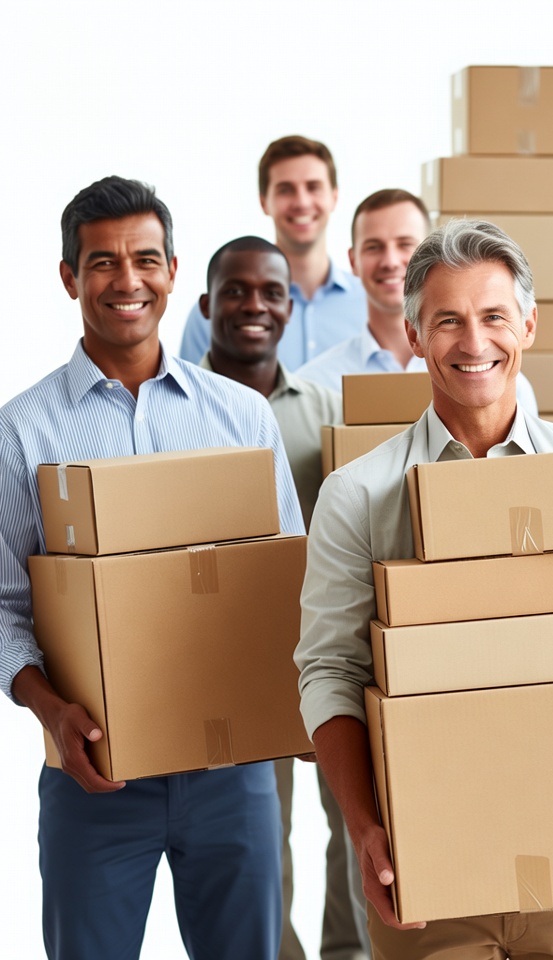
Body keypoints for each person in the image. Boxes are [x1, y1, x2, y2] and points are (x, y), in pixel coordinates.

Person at [295, 219, 553, 959]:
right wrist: (363, 828)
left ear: (528, 325)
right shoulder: (358, 495)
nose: (473, 341)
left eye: (494, 316)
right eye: (447, 320)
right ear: (413, 335)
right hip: (428, 862)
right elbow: (330, 670)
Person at [0, 176, 304, 959]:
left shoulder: (240, 416)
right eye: (102, 262)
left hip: (233, 772)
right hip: (94, 772)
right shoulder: (22, 432)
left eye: (144, 259)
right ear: (69, 277)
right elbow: (4, 608)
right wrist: (51, 712)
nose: (126, 281)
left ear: (172, 270)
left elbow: (285, 584)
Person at [197, 235, 368, 960]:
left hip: (333, 653)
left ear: (290, 307)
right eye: (236, 291)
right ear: (206, 305)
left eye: (271, 292)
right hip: (234, 663)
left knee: (356, 821)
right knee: (259, 836)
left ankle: (349, 952)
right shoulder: (180, 414)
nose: (254, 305)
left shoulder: (327, 413)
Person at [295, 189, 539, 416]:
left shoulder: (505, 383)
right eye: (373, 247)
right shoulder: (316, 384)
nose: (390, 261)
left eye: (405, 245)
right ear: (353, 261)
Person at [180, 136, 366, 367]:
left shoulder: (371, 306)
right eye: (285, 189)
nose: (301, 202)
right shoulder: (213, 314)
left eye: (313, 187)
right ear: (264, 202)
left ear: (334, 197)